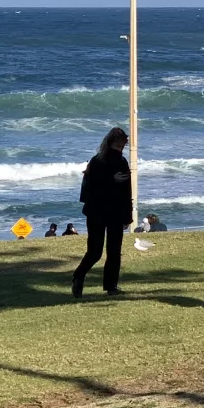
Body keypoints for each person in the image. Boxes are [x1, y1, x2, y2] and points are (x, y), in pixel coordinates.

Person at [72, 127, 132, 298]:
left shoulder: (112, 161)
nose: (119, 150)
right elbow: (96, 188)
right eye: (118, 147)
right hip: (102, 212)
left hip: (107, 212)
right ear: (111, 143)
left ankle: (106, 284)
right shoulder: (102, 162)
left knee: (105, 251)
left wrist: (127, 215)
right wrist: (112, 180)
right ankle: (84, 278)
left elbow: (126, 190)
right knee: (103, 251)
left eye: (122, 148)